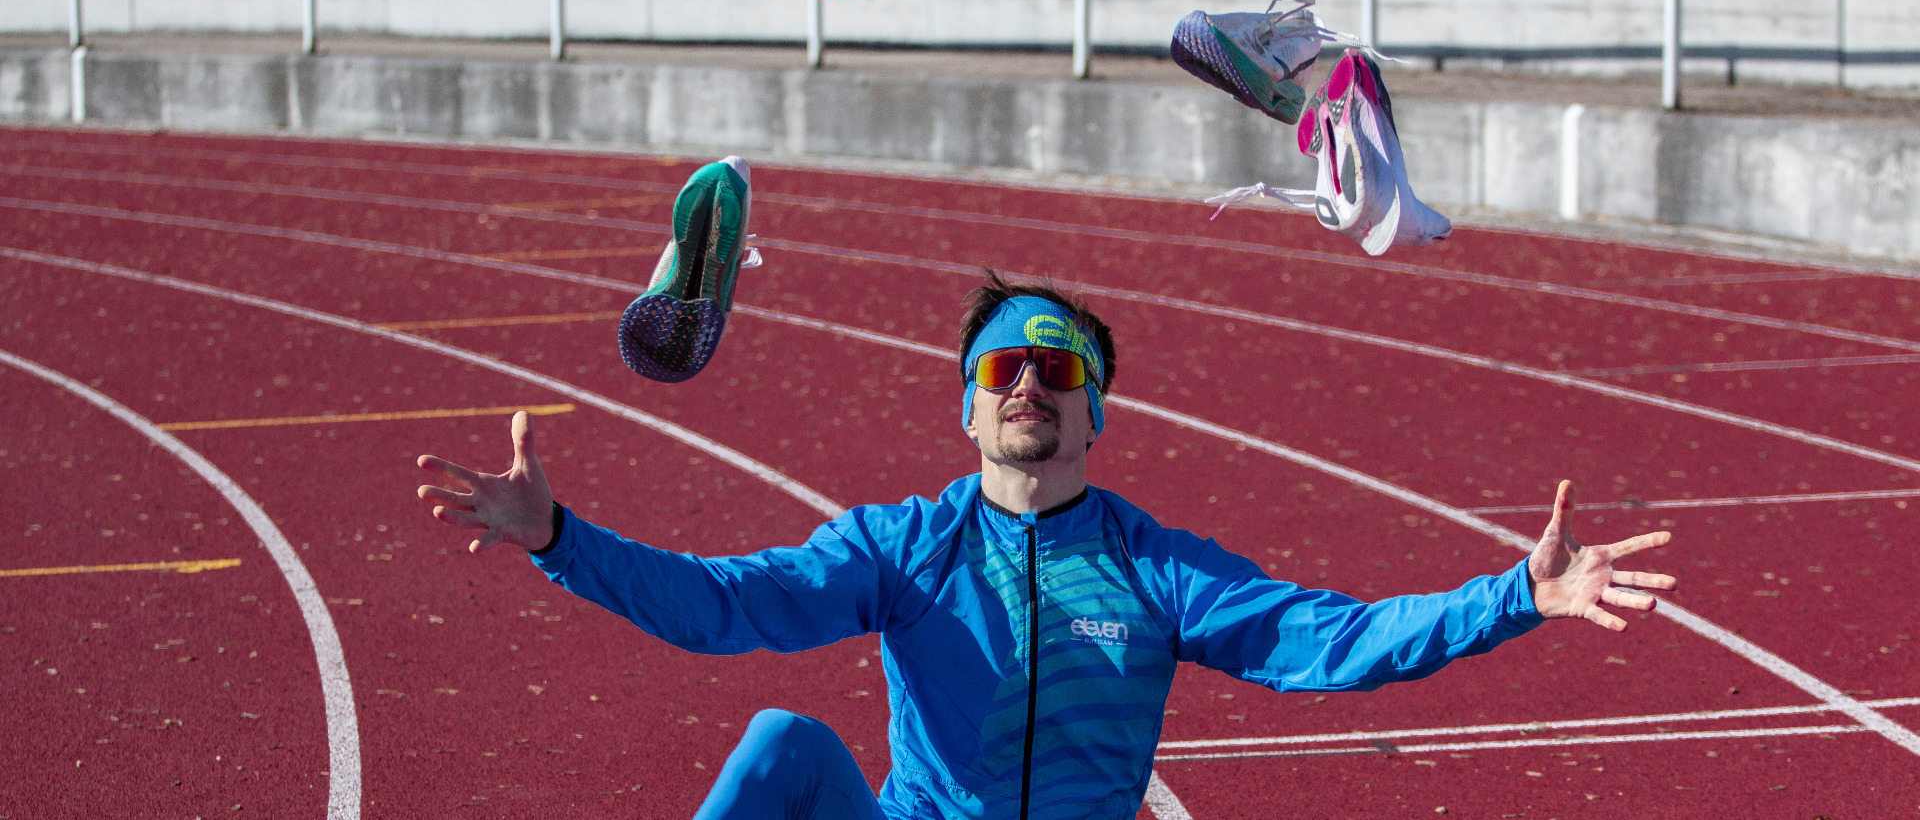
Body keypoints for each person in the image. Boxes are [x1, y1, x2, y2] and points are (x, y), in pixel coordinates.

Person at [415, 270, 1676, 820]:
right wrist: (559, 538)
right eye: (1002, 367)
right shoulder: (902, 549)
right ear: (968, 408)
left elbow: (1332, 642)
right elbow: (723, 606)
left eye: (1057, 369)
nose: (1029, 382)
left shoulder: (1155, 568)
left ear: (1093, 412)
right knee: (784, 745)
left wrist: (1518, 596)